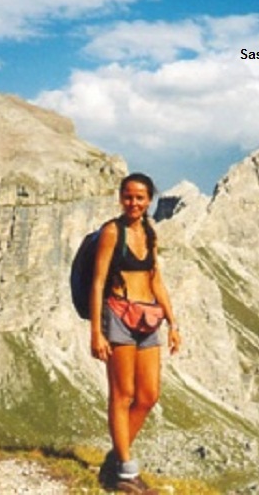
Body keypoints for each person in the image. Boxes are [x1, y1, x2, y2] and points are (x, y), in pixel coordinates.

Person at [89, 172, 181, 494]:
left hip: (148, 319)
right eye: (128, 196)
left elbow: (156, 280)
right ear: (120, 197)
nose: (133, 202)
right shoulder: (112, 232)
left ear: (149, 200)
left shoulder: (149, 232)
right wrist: (96, 332)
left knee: (148, 396)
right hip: (118, 316)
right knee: (122, 394)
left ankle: (114, 460)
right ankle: (126, 474)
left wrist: (173, 323)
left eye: (140, 197)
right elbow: (98, 282)